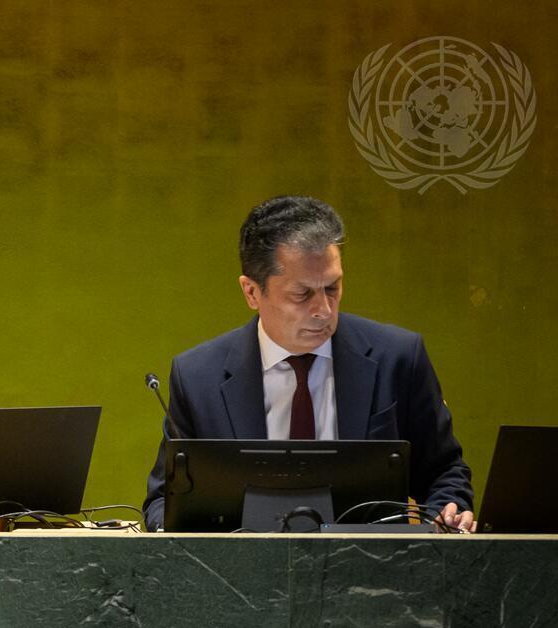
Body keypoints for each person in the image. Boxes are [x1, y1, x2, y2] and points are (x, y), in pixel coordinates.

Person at [143, 195, 474, 532]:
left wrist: (448, 512)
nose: (324, 310)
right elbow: (163, 500)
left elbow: (444, 474)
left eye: (332, 288)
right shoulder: (199, 378)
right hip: (240, 573)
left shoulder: (399, 358)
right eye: (303, 295)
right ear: (252, 293)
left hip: (374, 572)